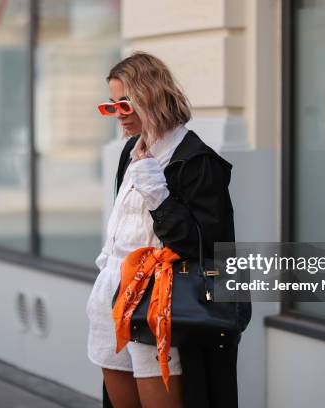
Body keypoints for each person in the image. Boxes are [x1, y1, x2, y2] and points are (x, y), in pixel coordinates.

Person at [86, 51, 250, 408]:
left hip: (161, 305)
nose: (118, 116)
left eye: (124, 105)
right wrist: (105, 271)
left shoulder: (196, 160)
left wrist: (158, 192)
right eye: (111, 106)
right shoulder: (131, 150)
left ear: (151, 97)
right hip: (113, 296)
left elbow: (200, 243)